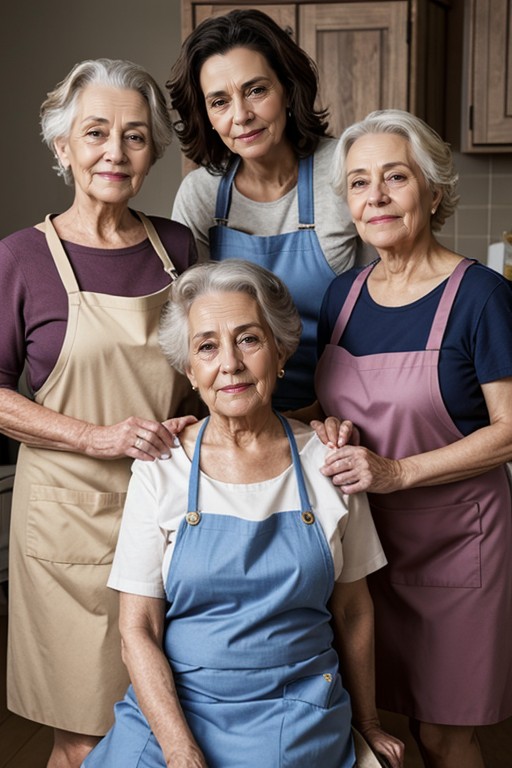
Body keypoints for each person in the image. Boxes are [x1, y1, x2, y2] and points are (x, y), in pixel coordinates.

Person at [82, 260, 404, 768]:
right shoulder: (161, 467)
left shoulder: (328, 461)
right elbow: (138, 629)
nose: (228, 363)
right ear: (190, 369)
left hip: (292, 710)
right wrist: (180, 749)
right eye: (206, 346)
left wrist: (367, 724)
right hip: (174, 711)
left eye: (248, 339)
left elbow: (353, 610)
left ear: (279, 353)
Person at [0, 58, 200, 768]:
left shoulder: (177, 249)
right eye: (96, 133)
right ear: (63, 147)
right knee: (86, 737)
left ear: (154, 151)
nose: (115, 152)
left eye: (136, 137)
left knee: (160, 722)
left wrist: (192, 420)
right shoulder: (21, 258)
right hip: (66, 525)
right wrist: (98, 435)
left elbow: (202, 373)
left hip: (166, 511)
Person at [307, 109, 512, 768]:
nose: (377, 197)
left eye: (395, 177)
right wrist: (324, 426)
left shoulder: (481, 295)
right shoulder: (343, 296)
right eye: (360, 183)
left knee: (444, 731)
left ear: (432, 190)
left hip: (459, 549)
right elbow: (331, 403)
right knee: (378, 724)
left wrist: (396, 472)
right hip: (366, 551)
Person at [167, 8, 372, 411]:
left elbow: (384, 308)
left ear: (288, 89)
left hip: (343, 411)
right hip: (237, 412)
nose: (241, 116)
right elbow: (191, 328)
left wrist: (322, 414)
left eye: (256, 90)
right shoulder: (200, 195)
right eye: (220, 101)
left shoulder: (345, 169)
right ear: (206, 115)